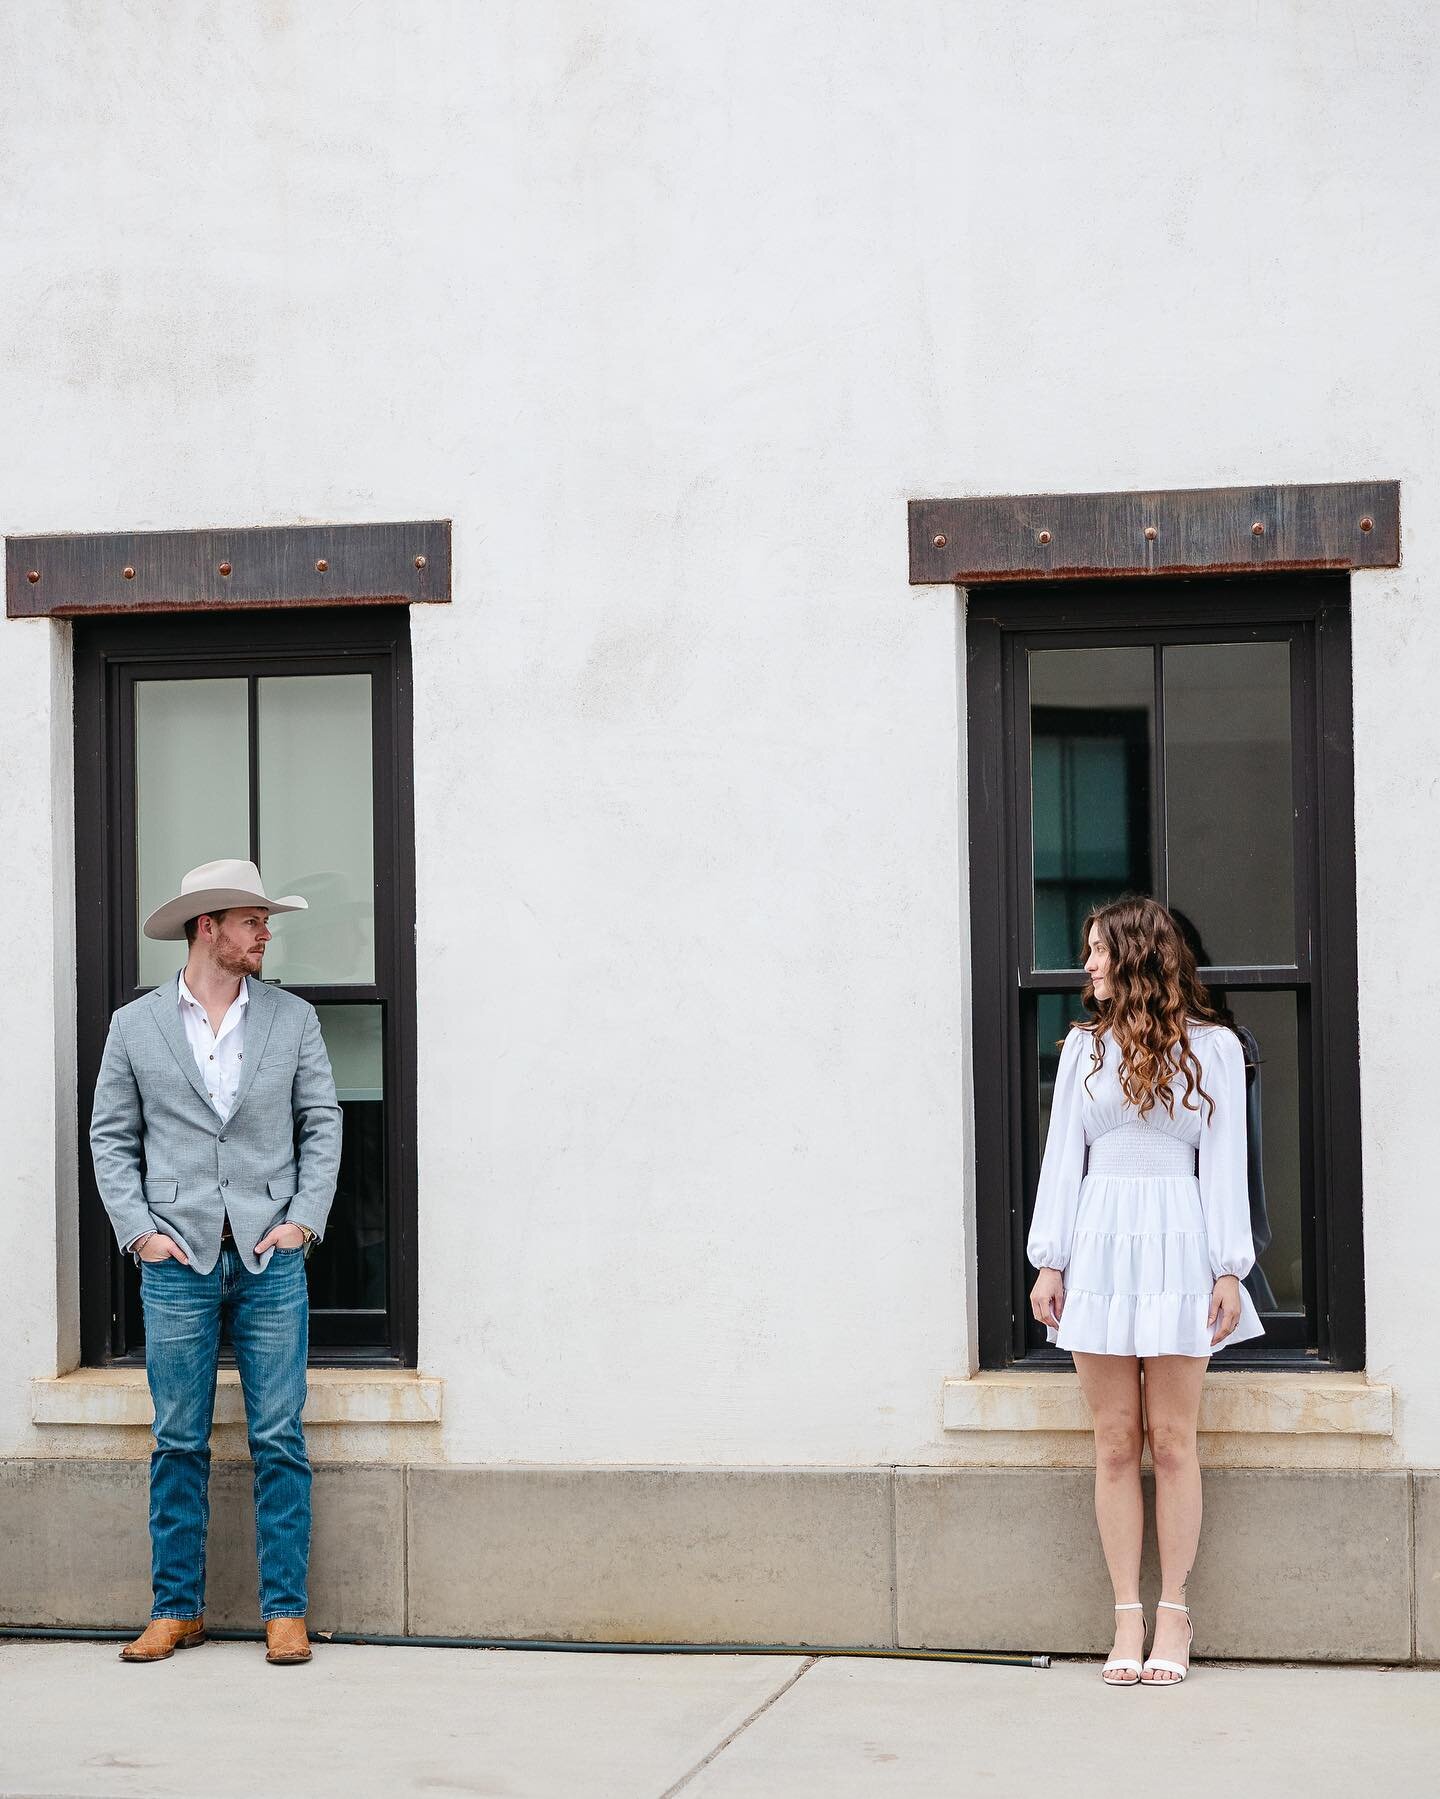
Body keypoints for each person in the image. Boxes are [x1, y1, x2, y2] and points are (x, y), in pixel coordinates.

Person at [89, 858, 342, 1666]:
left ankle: (285, 1611)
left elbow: (322, 1125)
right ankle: (175, 1609)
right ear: (209, 927)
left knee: (278, 1436)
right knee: (177, 1440)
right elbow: (111, 1137)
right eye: (253, 921)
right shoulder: (134, 1027)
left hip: (271, 1258)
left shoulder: (293, 1019)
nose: (266, 934)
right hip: (176, 1260)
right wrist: (141, 1233)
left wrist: (303, 1220)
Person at [1027, 895, 1263, 1688]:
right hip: (1098, 1246)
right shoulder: (1082, 1050)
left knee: (1172, 1439)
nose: (1086, 964)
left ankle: (1175, 1612)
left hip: (1179, 1247)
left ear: (1133, 956)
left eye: (1097, 950)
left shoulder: (1215, 1048)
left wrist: (1230, 1266)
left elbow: (1224, 1165)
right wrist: (1049, 1258)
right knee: (1115, 1441)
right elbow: (1065, 1158)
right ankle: (1126, 1612)